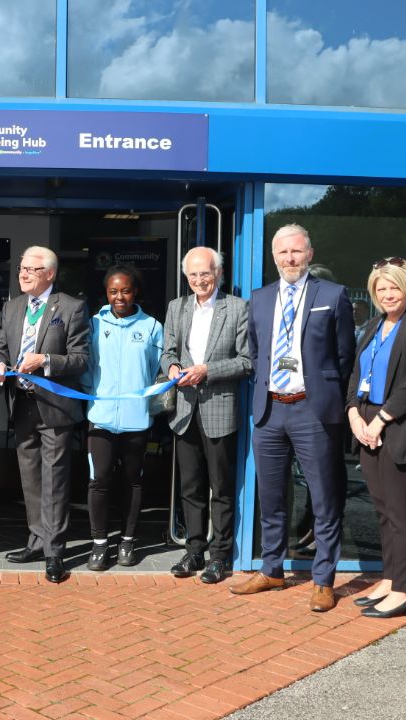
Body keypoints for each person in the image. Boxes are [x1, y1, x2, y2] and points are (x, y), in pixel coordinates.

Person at [232, 223, 354, 613]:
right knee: (271, 497)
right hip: (270, 410)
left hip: (313, 410)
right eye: (283, 253)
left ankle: (323, 580)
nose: (290, 258)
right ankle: (272, 569)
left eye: (297, 252)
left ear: (310, 254)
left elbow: (344, 355)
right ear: (274, 257)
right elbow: (255, 352)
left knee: (323, 498)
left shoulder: (332, 296)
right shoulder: (261, 298)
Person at [344, 258, 406, 618]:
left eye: (393, 287)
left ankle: (404, 590)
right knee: (381, 510)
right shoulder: (372, 325)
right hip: (365, 424)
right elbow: (355, 374)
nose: (387, 294)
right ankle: (390, 577)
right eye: (381, 289)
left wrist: (380, 420)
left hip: (397, 425)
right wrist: (353, 413)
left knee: (400, 511)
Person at [0, 246, 88, 583]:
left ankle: (55, 551)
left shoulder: (72, 307)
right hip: (21, 405)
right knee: (30, 478)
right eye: (21, 268)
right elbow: (1, 347)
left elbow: (81, 359)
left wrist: (44, 360)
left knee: (55, 481)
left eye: (31, 269)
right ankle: (36, 540)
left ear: (49, 273)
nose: (23, 273)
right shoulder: (13, 307)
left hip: (55, 407)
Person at [161, 246, 253, 583]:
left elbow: (247, 360)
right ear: (187, 277)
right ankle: (194, 551)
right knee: (190, 486)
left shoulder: (238, 308)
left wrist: (207, 370)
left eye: (206, 273)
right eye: (194, 274)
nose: (200, 280)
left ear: (219, 273)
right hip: (184, 409)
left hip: (219, 409)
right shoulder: (177, 307)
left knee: (221, 487)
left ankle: (220, 557)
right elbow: (168, 350)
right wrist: (170, 366)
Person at [81, 265, 162, 572]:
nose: (119, 297)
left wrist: (147, 406)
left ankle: (127, 541)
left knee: (132, 481)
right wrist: (91, 397)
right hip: (100, 419)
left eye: (125, 291)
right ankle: (100, 544)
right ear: (106, 293)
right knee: (99, 480)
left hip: (137, 421)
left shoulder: (152, 326)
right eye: (113, 291)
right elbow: (86, 365)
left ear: (135, 292)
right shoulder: (93, 324)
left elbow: (158, 369)